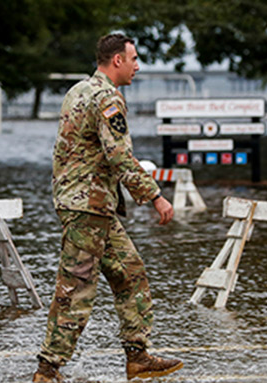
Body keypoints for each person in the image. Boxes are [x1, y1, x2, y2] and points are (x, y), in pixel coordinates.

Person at [33, 33, 183, 382]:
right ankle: (47, 370)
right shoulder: (107, 98)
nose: (137, 65)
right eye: (133, 59)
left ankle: (138, 356)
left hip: (87, 204)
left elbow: (64, 152)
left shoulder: (78, 91)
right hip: (88, 207)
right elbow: (120, 156)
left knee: (130, 275)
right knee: (76, 288)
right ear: (117, 60)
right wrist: (155, 196)